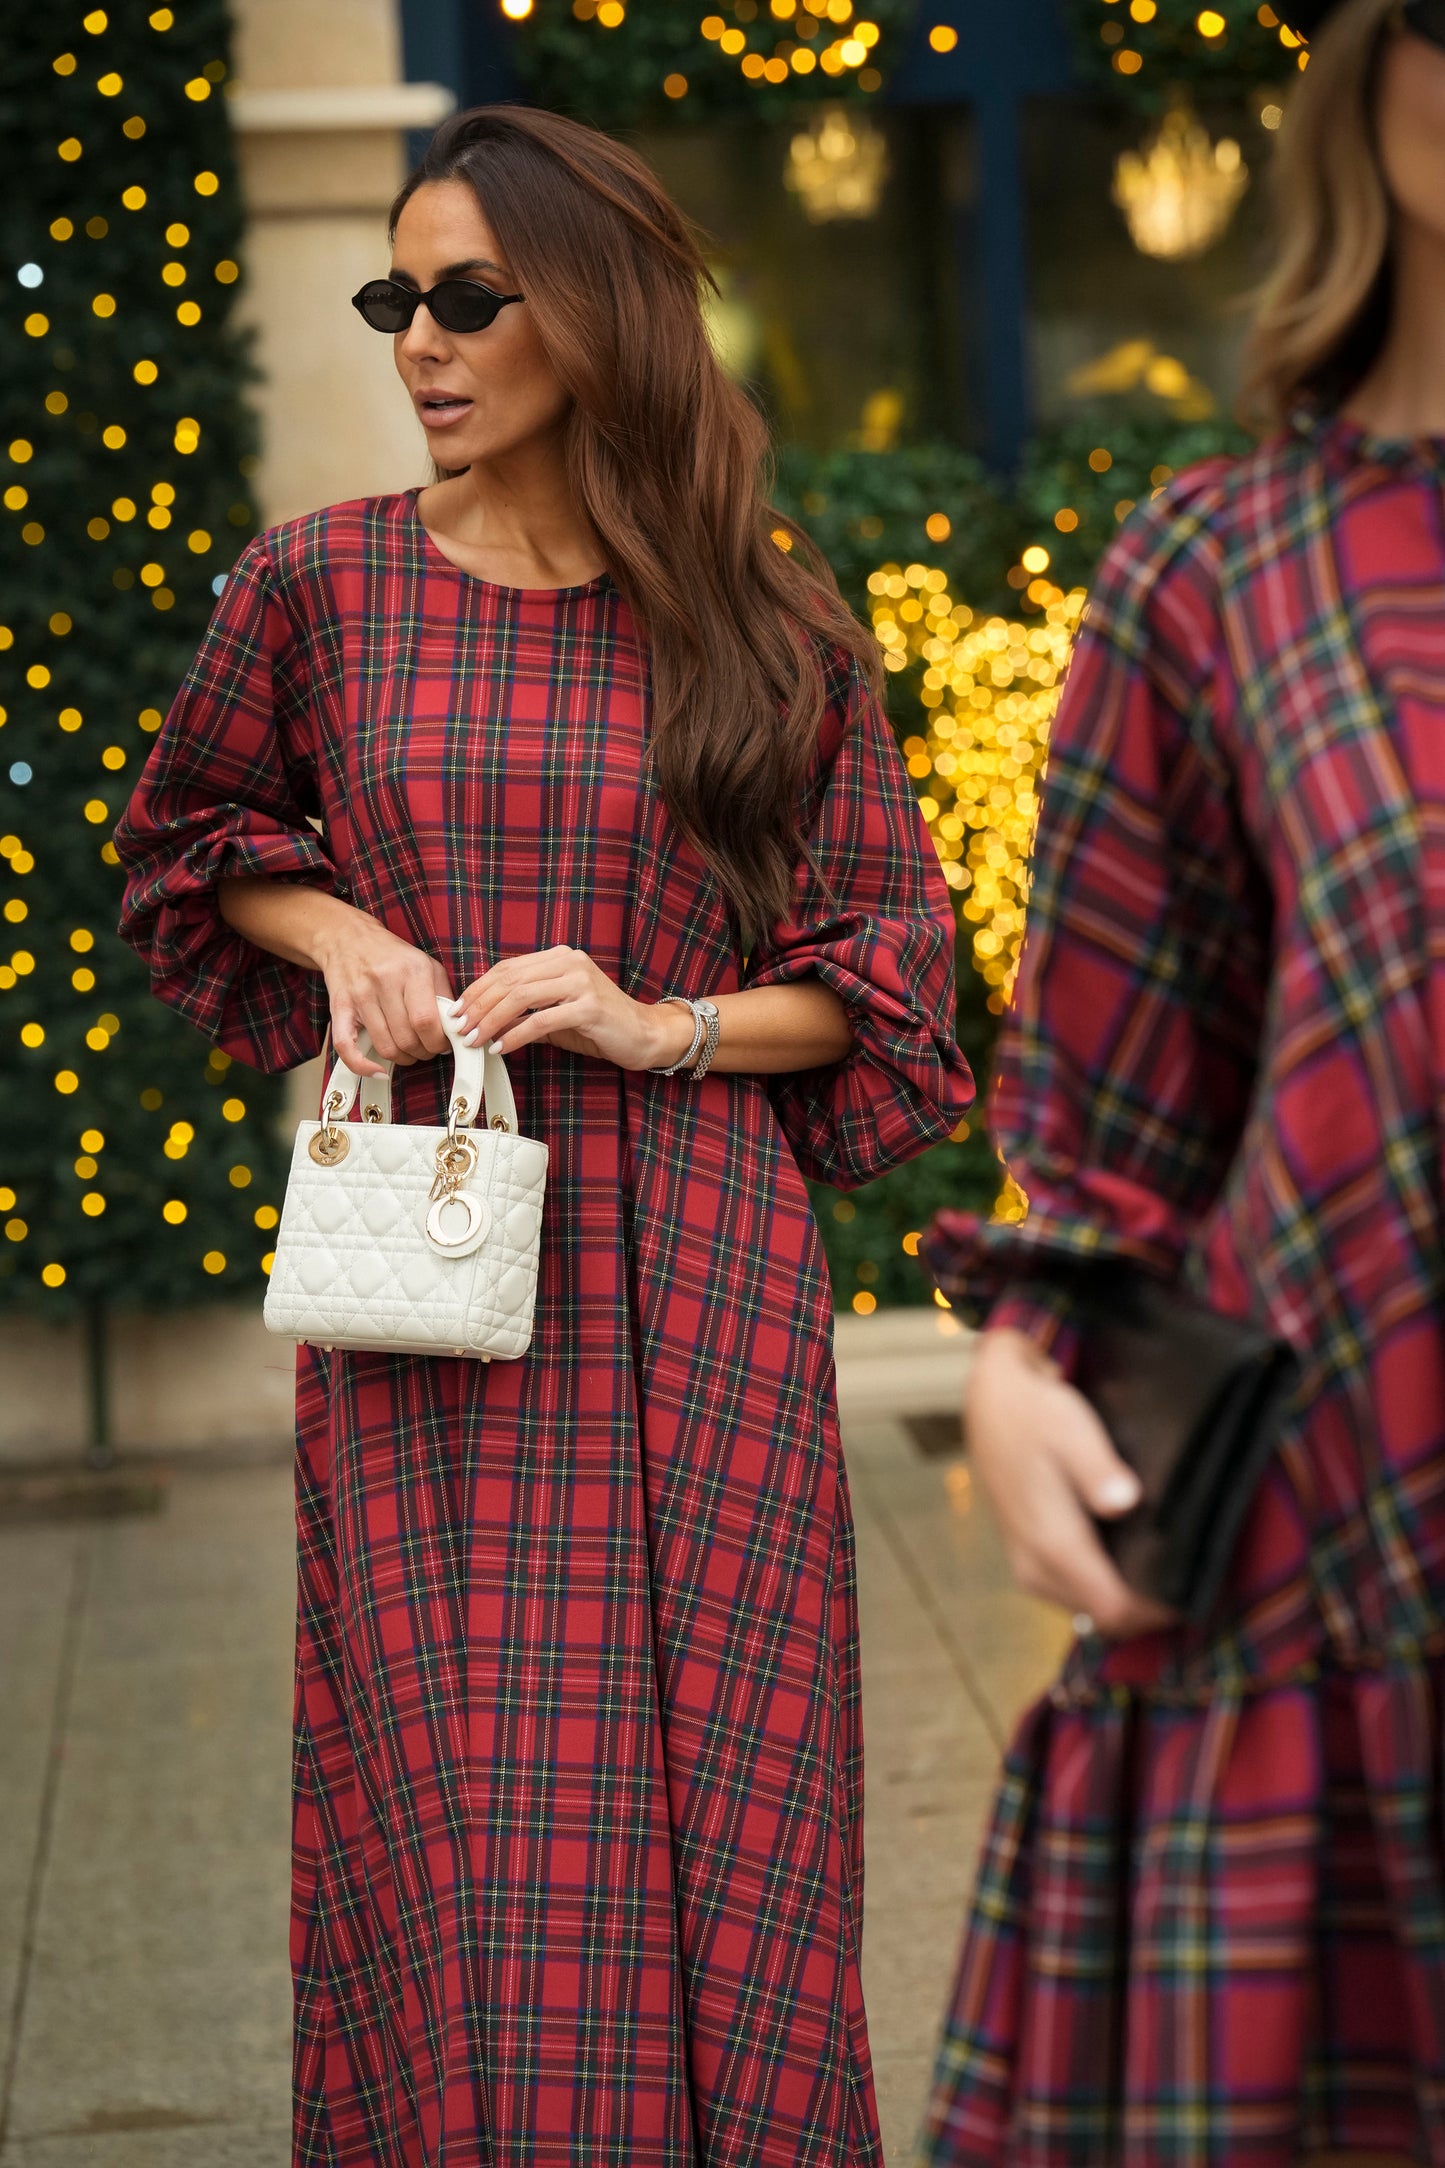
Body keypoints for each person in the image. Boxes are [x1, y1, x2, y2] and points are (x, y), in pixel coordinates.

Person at [115, 105, 972, 2168]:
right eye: (395, 294)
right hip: (430, 1272)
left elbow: (890, 976)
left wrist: (654, 1017)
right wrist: (339, 934)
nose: (420, 338)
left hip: (699, 1278)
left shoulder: (762, 617)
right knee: (465, 1811)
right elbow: (188, 848)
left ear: (593, 316)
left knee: (729, 1804)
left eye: (468, 297)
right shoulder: (318, 580)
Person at [919, 0, 1445, 2161]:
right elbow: (1119, 1108)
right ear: (1383, 92)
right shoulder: (1230, 563)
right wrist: (1029, 1360)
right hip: (1352, 1541)